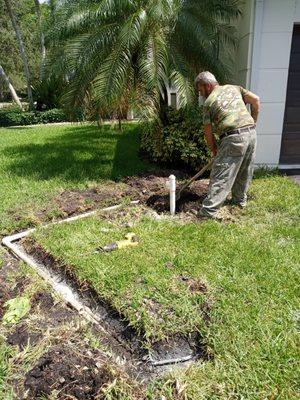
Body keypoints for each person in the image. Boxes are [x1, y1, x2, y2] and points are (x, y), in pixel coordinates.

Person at [195, 71, 260, 219]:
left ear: (208, 86)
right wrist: (253, 122)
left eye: (200, 90)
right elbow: (256, 100)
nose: (200, 94)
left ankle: (208, 212)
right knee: (245, 170)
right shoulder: (234, 88)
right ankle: (239, 202)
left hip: (233, 138)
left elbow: (208, 132)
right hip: (251, 135)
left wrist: (214, 150)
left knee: (221, 174)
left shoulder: (209, 102)